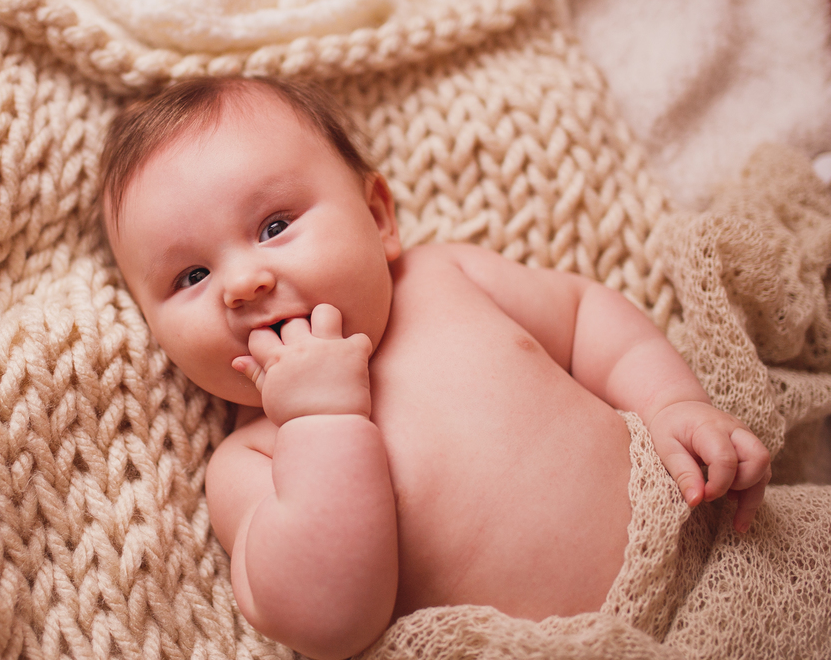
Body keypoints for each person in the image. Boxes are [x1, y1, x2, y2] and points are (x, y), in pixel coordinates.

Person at [98, 76, 772, 660]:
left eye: (274, 226)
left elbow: (588, 319)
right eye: (191, 275)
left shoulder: (445, 275)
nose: (241, 283)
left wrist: (672, 404)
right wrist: (319, 421)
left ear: (377, 217)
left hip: (709, 554)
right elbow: (331, 624)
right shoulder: (252, 462)